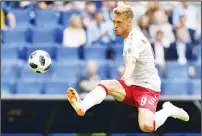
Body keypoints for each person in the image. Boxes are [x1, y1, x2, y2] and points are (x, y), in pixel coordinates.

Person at [66, 5, 189, 132]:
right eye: (114, 21)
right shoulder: (127, 39)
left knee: (146, 126)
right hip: (132, 85)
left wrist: (126, 76)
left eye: (118, 22)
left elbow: (131, 62)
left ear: (129, 22)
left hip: (147, 88)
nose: (115, 25)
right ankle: (83, 106)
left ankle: (168, 110)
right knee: (105, 84)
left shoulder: (135, 39)